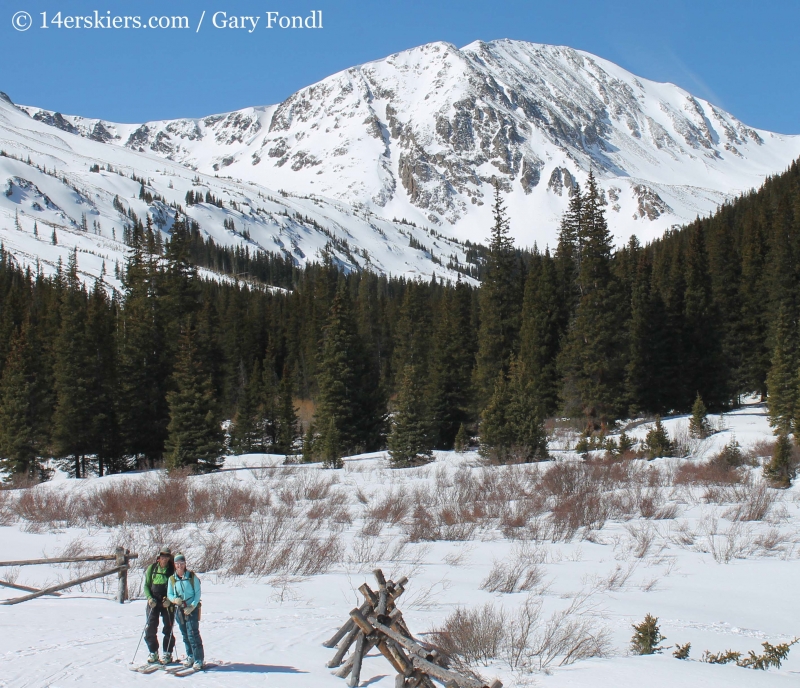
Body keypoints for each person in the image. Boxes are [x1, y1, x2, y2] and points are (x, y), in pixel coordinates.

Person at [167, 553, 205, 670]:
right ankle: (190, 656)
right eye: (177, 563)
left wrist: (192, 606)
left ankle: (199, 659)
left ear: (185, 564)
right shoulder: (172, 579)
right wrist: (174, 600)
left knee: (193, 633)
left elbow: (197, 593)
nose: (180, 566)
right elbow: (170, 594)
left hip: (191, 608)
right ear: (174, 564)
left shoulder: (192, 577)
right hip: (179, 608)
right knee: (184, 634)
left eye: (182, 563)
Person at [143, 546, 176, 664]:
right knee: (151, 627)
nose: (164, 558)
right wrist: (149, 598)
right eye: (163, 556)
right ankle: (153, 651)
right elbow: (146, 585)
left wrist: (169, 600)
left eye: (167, 556)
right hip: (153, 601)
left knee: (168, 627)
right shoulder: (152, 568)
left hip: (167, 601)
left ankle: (167, 653)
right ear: (159, 557)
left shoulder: (172, 570)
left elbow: (175, 587)